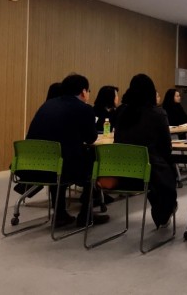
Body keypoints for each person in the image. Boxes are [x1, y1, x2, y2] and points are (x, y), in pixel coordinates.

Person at [25, 74, 109, 227]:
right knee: (95, 161)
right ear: (83, 91)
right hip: (62, 168)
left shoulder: (47, 105)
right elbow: (91, 138)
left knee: (59, 160)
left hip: (30, 166)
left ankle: (60, 214)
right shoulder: (84, 109)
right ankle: (86, 214)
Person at [113, 74, 177, 229]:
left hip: (120, 172)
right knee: (167, 170)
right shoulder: (157, 114)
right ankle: (163, 211)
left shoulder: (121, 113)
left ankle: (161, 209)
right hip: (149, 172)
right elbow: (166, 147)